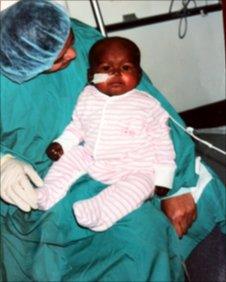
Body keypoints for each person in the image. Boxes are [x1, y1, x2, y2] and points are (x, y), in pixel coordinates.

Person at [0, 0, 225, 281]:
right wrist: (4, 161)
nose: (72, 54)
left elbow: (150, 106)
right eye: (59, 58)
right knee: (135, 238)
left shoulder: (81, 43)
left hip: (129, 152)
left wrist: (177, 186)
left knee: (200, 198)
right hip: (47, 182)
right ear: (20, 67)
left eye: (69, 39)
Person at [37, 37, 176, 232]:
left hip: (135, 167)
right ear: (91, 75)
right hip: (93, 157)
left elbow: (162, 144)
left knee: (140, 186)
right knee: (72, 157)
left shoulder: (148, 105)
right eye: (105, 69)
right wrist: (62, 144)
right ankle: (47, 193)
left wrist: (164, 176)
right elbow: (78, 126)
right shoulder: (87, 96)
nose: (117, 74)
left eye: (126, 68)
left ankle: (100, 212)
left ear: (139, 73)